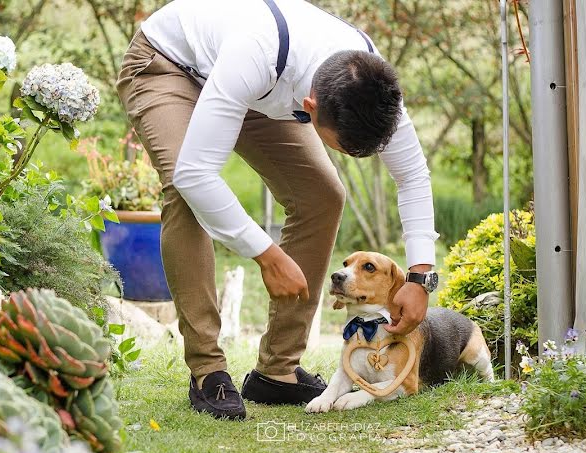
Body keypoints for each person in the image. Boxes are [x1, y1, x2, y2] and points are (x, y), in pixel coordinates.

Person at [116, 0, 439, 420]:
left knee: (321, 194)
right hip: (170, 65)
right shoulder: (255, 52)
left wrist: (419, 278)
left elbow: (413, 176)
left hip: (260, 88)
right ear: (310, 108)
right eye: (343, 146)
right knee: (184, 189)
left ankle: (277, 370)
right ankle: (208, 370)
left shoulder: (372, 85)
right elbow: (198, 175)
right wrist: (265, 253)